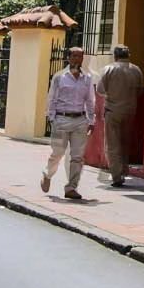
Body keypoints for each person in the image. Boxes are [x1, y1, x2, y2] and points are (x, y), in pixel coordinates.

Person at [40, 47, 95, 201]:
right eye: (75, 56)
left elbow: (90, 100)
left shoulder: (87, 79)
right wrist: (52, 118)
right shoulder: (59, 77)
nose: (78, 59)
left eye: (80, 56)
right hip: (61, 120)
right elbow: (51, 99)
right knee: (57, 153)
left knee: (77, 157)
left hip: (80, 120)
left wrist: (91, 120)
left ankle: (71, 187)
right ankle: (47, 174)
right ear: (69, 58)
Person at [97, 45, 144, 188]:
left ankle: (116, 175)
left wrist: (111, 95)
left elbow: (100, 90)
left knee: (112, 144)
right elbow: (140, 90)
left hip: (112, 109)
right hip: (130, 109)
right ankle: (124, 170)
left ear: (115, 56)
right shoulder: (136, 70)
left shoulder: (108, 69)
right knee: (125, 142)